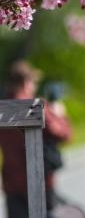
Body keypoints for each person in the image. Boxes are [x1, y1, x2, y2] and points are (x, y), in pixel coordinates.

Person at [0, 61, 73, 218]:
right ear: (26, 82)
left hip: (11, 182)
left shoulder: (2, 109)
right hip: (39, 181)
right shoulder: (35, 106)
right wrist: (60, 114)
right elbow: (64, 134)